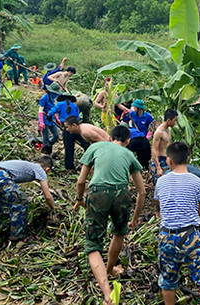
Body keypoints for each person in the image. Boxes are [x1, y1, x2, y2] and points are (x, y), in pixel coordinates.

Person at [73, 125, 145, 305]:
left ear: (111, 137)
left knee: (93, 245)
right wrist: (135, 217)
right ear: (127, 141)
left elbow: (81, 181)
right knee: (119, 233)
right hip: (122, 193)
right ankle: (109, 269)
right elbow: (142, 191)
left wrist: (80, 199)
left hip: (98, 193)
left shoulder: (95, 147)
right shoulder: (129, 155)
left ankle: (107, 294)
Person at [155, 141, 200, 305]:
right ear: (187, 158)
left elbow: (159, 209)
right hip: (190, 238)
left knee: (168, 280)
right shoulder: (198, 183)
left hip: (166, 237)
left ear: (169, 161)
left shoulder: (161, 181)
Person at [0, 156, 55, 241]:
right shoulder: (40, 170)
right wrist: (53, 209)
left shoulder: (28, 165)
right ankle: (17, 235)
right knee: (21, 202)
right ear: (47, 169)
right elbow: (48, 196)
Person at [47, 93, 88, 170]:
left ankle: (69, 167)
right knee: (85, 145)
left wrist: (49, 116)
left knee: (69, 148)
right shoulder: (74, 106)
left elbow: (51, 112)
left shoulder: (60, 104)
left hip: (67, 128)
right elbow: (77, 118)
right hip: (76, 127)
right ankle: (89, 162)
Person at [123, 99, 153, 169]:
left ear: (139, 108)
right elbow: (124, 120)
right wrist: (123, 114)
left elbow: (151, 127)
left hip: (143, 138)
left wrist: (148, 136)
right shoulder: (132, 114)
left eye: (135, 107)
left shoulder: (148, 116)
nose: (133, 108)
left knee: (144, 157)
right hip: (134, 137)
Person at [150, 109, 178, 180]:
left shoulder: (168, 130)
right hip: (159, 160)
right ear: (168, 120)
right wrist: (158, 167)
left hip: (167, 159)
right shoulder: (159, 132)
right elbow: (154, 149)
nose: (175, 123)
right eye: (174, 120)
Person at [38, 82, 63, 148]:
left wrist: (57, 119)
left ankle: (49, 145)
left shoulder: (53, 98)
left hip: (51, 118)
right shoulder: (44, 98)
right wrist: (41, 122)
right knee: (45, 136)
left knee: (56, 135)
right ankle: (46, 148)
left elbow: (52, 109)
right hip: (44, 118)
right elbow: (40, 110)